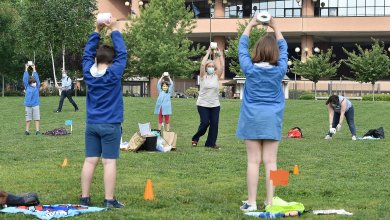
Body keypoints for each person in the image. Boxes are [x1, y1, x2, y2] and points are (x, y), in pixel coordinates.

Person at [236, 16, 288, 211]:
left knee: (252, 161)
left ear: (256, 52)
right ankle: (270, 201)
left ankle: (251, 202)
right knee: (271, 161)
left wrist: (251, 24)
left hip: (251, 117)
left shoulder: (249, 68)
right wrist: (276, 27)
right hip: (272, 118)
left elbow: (242, 47)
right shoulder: (280, 70)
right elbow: (284, 49)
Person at [80, 16, 127, 208]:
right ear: (112, 60)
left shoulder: (88, 73)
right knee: (108, 163)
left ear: (96, 59)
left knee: (90, 161)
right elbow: (123, 53)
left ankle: (84, 198)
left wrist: (96, 30)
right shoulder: (114, 72)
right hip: (110, 125)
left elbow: (85, 55)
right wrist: (114, 30)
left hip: (92, 124)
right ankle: (109, 200)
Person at [191, 46, 224, 149]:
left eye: (212, 66)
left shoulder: (216, 76)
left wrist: (219, 55)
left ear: (214, 68)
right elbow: (202, 64)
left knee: (214, 124)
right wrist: (208, 52)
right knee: (205, 122)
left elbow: (222, 66)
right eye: (209, 66)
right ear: (206, 68)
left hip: (215, 104)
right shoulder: (202, 76)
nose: (210, 67)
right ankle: (195, 138)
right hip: (203, 104)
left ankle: (210, 143)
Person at [23, 64, 41, 135]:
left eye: (35, 82)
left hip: (36, 105)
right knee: (28, 119)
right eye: (33, 82)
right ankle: (27, 131)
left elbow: (37, 78)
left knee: (37, 118)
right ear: (30, 83)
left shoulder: (37, 86)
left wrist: (34, 69)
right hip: (28, 105)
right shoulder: (27, 86)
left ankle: (37, 131)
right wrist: (26, 69)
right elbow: (25, 79)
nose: (34, 83)